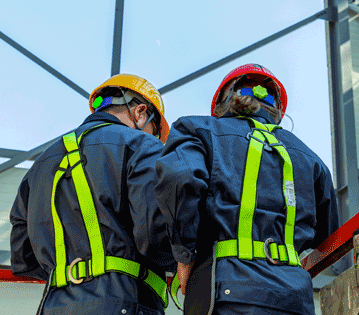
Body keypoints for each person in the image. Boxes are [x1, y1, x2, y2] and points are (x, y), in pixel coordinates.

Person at [156, 63, 339, 315]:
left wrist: (184, 255)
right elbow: (328, 236)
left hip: (228, 292)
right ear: (276, 109)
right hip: (295, 299)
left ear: (223, 102)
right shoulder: (310, 158)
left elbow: (179, 178)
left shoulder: (197, 130)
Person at [10, 74, 174, 315]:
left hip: (54, 305)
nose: (153, 137)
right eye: (154, 130)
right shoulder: (141, 145)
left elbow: (23, 256)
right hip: (125, 302)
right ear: (140, 112)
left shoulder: (42, 164)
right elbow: (154, 233)